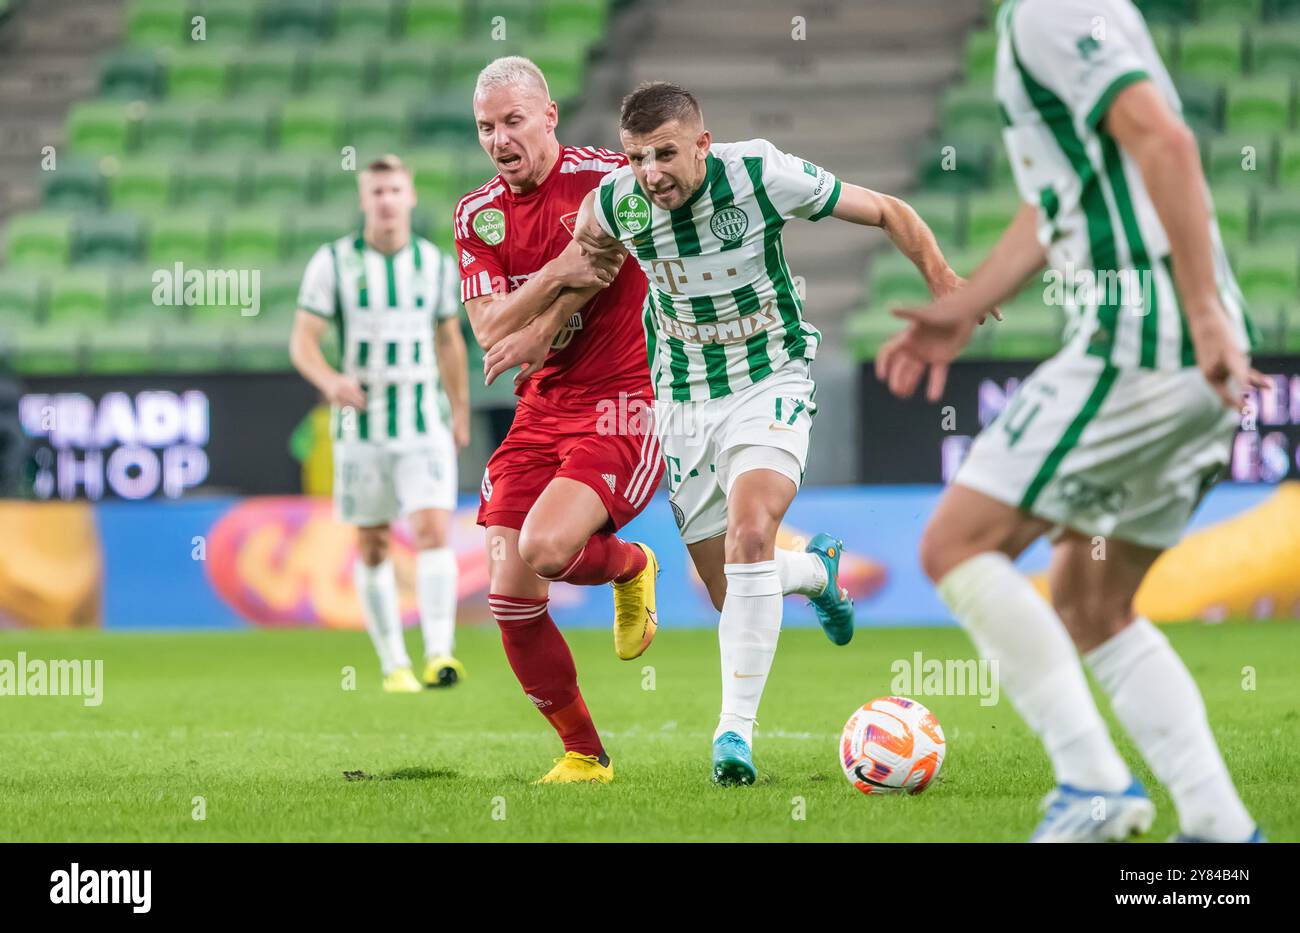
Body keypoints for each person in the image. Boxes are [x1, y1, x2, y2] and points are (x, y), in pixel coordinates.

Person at [875, 0, 1265, 841]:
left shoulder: (1051, 11)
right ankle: (1220, 832)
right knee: (1094, 601)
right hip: (1185, 344)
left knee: (955, 544)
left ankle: (1093, 784)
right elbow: (1066, 194)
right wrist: (968, 303)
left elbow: (1167, 141)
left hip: (1146, 337)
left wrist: (1199, 316)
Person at [574, 81, 961, 785]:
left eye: (664, 153)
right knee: (733, 593)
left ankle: (733, 737)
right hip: (684, 401)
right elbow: (585, 262)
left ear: (702, 143)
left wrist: (942, 281)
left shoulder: (758, 174)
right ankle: (816, 571)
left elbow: (886, 210)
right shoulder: (612, 202)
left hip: (769, 379)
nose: (650, 172)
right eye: (635, 158)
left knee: (751, 533)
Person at [453, 57, 661, 784]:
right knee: (509, 596)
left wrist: (544, 312)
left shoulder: (607, 178)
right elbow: (489, 329)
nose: (500, 139)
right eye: (486, 127)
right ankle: (584, 753)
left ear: (549, 117)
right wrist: (557, 275)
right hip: (541, 407)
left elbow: (605, 266)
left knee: (544, 548)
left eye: (513, 121)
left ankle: (633, 563)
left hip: (624, 396)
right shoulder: (476, 214)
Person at [290, 154, 470, 693]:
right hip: (362, 426)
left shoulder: (436, 264)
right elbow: (303, 340)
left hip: (423, 420)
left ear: (410, 196)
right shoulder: (334, 262)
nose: (387, 200)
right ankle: (393, 661)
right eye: (377, 192)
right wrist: (328, 380)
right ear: (365, 200)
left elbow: (448, 340)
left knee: (434, 530)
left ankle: (440, 652)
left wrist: (458, 409)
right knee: (372, 544)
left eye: (395, 190)